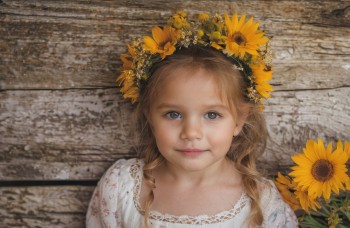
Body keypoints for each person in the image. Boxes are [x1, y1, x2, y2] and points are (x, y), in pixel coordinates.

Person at [86, 11, 298, 227]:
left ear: (239, 120)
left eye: (212, 115)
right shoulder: (121, 188)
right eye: (173, 114)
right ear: (149, 116)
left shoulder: (262, 203)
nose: (191, 133)